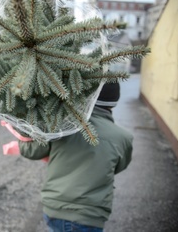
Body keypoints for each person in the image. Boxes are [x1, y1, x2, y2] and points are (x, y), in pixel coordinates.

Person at [18, 82, 133, 232]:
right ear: (113, 105)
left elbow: (32, 151)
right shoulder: (123, 138)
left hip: (53, 208)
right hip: (90, 214)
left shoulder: (63, 125)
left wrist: (22, 134)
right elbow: (119, 166)